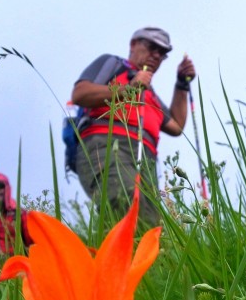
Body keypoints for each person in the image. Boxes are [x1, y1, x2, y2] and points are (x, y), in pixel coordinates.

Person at [71, 27, 196, 225]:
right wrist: (129, 89)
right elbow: (80, 94)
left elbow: (176, 126)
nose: (156, 56)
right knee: (125, 201)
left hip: (146, 158)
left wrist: (181, 84)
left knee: (152, 221)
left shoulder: (150, 95)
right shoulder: (112, 65)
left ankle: (121, 253)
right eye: (151, 47)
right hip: (106, 144)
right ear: (133, 44)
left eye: (162, 53)